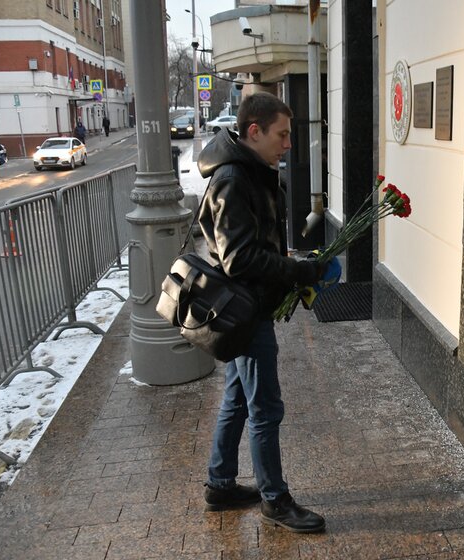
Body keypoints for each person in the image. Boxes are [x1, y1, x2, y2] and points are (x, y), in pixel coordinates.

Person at [197, 92, 337, 533]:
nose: (288, 144)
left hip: (245, 306)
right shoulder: (234, 179)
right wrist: (298, 271)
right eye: (282, 134)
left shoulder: (251, 172)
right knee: (265, 409)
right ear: (253, 131)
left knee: (238, 398)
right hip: (246, 308)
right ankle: (275, 501)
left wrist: (288, 256)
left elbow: (251, 243)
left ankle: (220, 484)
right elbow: (238, 259)